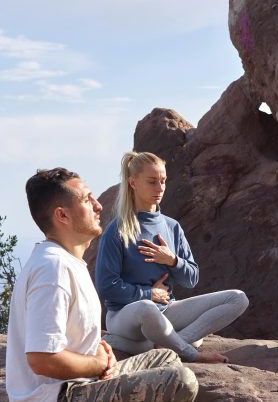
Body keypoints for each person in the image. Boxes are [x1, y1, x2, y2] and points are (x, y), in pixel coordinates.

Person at [5, 168, 221, 402]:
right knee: (180, 380)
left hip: (75, 393)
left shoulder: (68, 263)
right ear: (62, 216)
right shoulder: (52, 269)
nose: (98, 205)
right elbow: (43, 359)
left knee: (165, 359)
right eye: (86, 199)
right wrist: (96, 363)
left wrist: (96, 350)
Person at [96, 151, 249, 365]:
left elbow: (192, 278)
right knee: (146, 307)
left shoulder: (171, 226)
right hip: (125, 317)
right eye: (152, 182)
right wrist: (149, 293)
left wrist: (172, 260)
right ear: (133, 182)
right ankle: (189, 352)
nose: (159, 189)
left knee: (238, 298)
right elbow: (106, 286)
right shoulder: (117, 230)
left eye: (163, 181)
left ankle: (173, 343)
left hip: (166, 311)